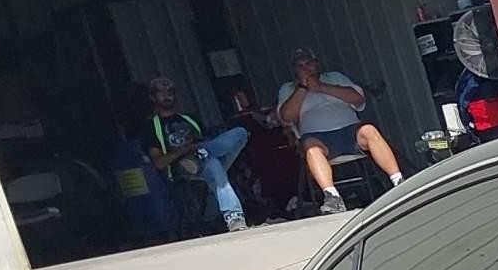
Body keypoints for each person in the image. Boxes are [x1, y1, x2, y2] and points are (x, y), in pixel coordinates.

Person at [275, 49, 402, 212]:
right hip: (318, 138)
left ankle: (397, 180)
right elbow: (286, 117)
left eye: (309, 63)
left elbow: (358, 99)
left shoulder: (334, 77)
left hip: (350, 132)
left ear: (317, 64)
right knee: (311, 149)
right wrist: (302, 88)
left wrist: (321, 87)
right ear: (295, 70)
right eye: (300, 66)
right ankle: (332, 196)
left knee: (369, 130)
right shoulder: (288, 88)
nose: (306, 68)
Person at [141, 77, 250, 234]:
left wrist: (198, 148)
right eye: (161, 93)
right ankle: (234, 217)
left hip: (204, 158)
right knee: (213, 165)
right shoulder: (151, 127)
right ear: (153, 97)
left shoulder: (190, 119)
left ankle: (200, 156)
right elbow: (159, 163)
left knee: (239, 133)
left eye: (170, 92)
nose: (167, 96)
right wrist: (185, 150)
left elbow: (209, 142)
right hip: (182, 169)